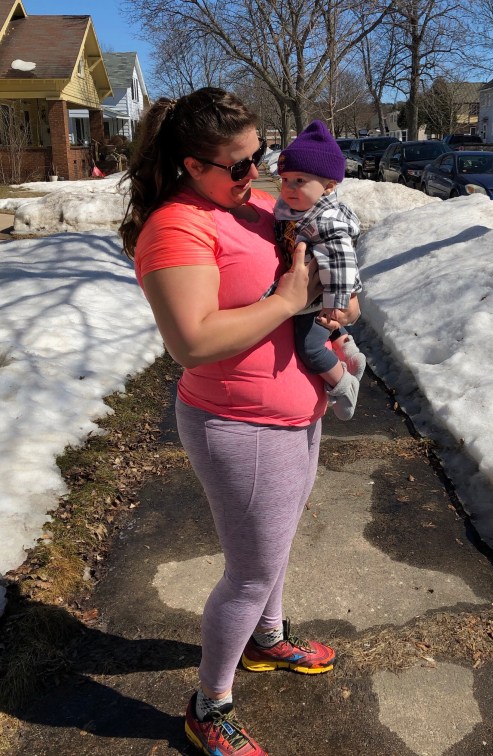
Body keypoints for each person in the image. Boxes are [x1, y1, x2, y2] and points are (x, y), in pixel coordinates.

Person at [119, 88, 360, 756]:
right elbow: (192, 341)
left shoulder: (252, 206)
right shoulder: (176, 228)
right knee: (250, 573)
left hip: (297, 410)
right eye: (239, 164)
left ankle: (267, 639)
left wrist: (344, 301)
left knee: (272, 548)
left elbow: (317, 261)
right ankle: (209, 705)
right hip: (241, 423)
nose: (257, 173)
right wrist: (286, 301)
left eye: (261, 155)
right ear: (193, 165)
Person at [274, 120, 366, 421]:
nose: (289, 188)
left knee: (309, 346)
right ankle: (349, 353)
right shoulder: (304, 209)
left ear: (329, 185)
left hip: (320, 295)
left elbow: (341, 261)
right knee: (325, 329)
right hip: (319, 291)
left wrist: (335, 302)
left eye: (299, 180)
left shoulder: (325, 220)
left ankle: (343, 384)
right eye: (285, 179)